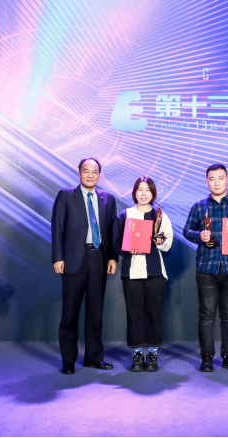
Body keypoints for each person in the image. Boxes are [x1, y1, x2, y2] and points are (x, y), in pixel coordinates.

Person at [51, 158, 118, 375]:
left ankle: (94, 358)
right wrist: (58, 257)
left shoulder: (108, 199)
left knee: (95, 313)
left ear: (99, 174)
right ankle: (68, 361)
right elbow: (57, 227)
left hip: (98, 258)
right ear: (79, 173)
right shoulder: (66, 195)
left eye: (94, 171)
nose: (90, 175)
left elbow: (112, 231)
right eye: (86, 171)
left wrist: (112, 257)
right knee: (69, 313)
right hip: (73, 260)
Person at [183, 164, 228, 373]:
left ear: (227, 179)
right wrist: (199, 236)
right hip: (207, 267)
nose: (216, 182)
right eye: (212, 179)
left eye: (220, 178)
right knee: (206, 315)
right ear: (207, 181)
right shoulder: (199, 207)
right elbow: (187, 230)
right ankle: (206, 357)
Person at [112, 177, 174, 372]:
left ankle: (153, 355)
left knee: (154, 314)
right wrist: (127, 249)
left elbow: (168, 241)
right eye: (140, 189)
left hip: (155, 272)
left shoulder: (160, 216)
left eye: (148, 190)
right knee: (134, 315)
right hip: (131, 273)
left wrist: (159, 241)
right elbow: (116, 241)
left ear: (153, 193)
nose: (144, 193)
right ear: (134, 192)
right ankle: (137, 355)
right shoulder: (125, 215)